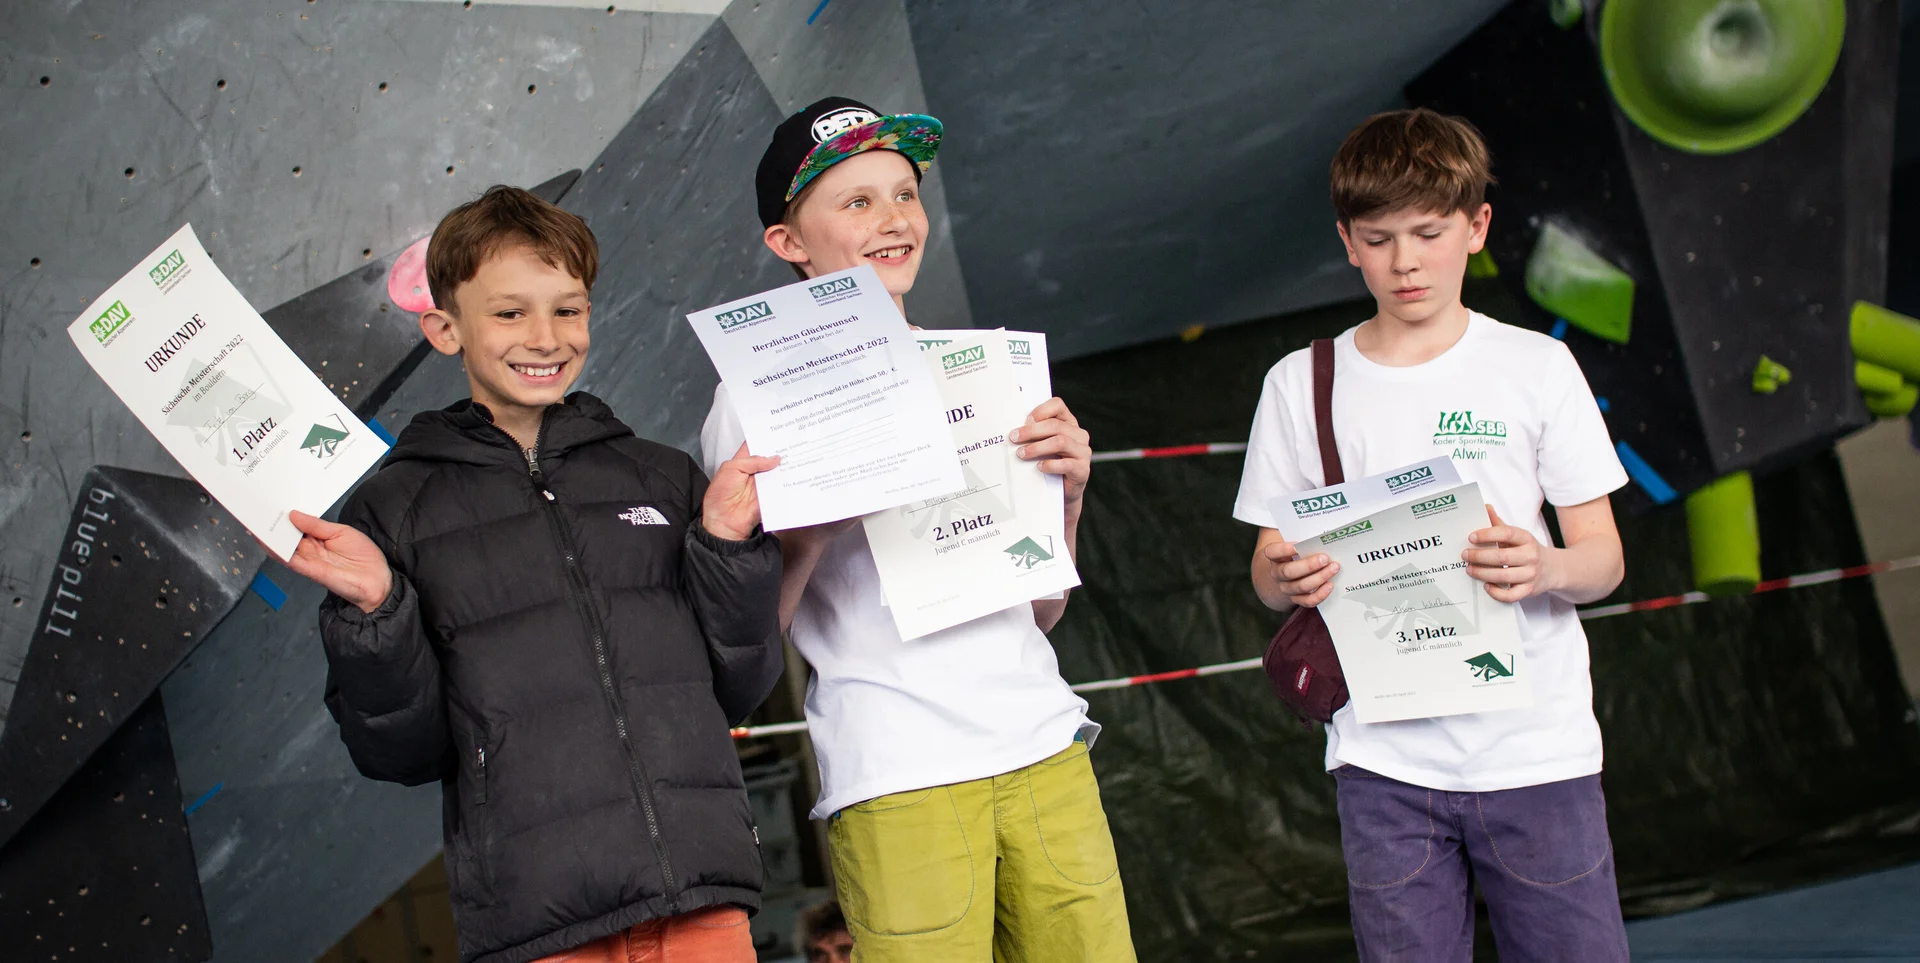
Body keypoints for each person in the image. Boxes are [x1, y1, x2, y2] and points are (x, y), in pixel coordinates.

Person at [285, 185, 787, 963]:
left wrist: (724, 543)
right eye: (510, 312)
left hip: (699, 893)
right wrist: (376, 612)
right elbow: (401, 752)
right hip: (537, 917)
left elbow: (739, 684)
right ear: (445, 329)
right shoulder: (395, 508)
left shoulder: (660, 477)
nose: (545, 336)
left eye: (568, 308)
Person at [700, 97, 1136, 962]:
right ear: (788, 243)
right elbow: (747, 647)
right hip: (897, 771)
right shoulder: (751, 402)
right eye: (856, 201)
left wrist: (1069, 497)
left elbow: (1040, 610)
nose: (894, 218)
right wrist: (812, 530)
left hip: (1045, 744)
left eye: (904, 193)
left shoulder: (979, 371)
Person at [1235, 108, 1632, 961]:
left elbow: (1602, 561)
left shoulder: (1536, 365)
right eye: (1379, 238)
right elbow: (1267, 572)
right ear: (1347, 240)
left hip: (1537, 751)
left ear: (1476, 225)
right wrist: (1286, 573)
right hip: (1384, 763)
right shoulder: (1298, 382)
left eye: (1428, 231)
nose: (1406, 261)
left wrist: (1544, 562)